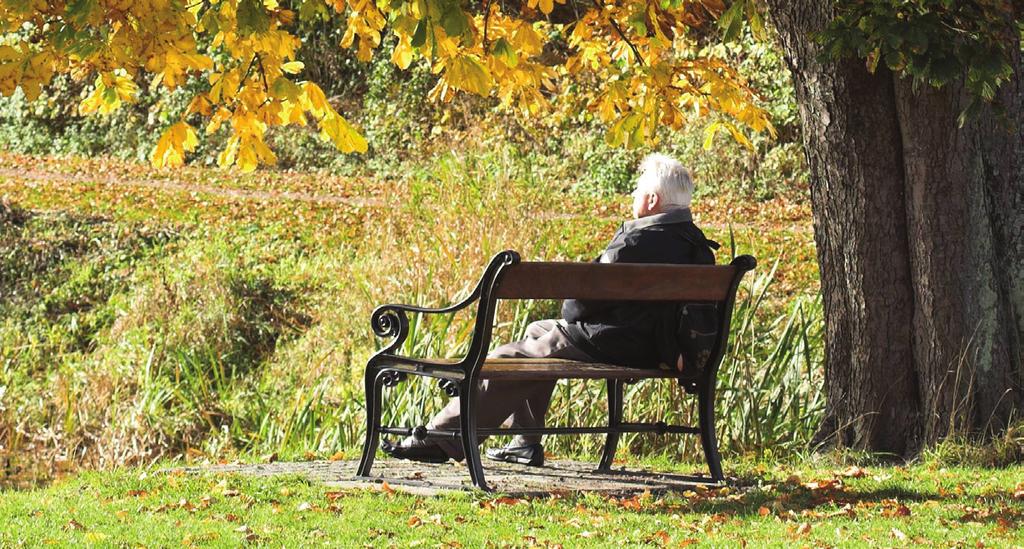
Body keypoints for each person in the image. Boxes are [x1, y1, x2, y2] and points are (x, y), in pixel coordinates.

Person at [381, 153, 719, 466]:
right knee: (537, 331)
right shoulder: (697, 245)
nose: (633, 196)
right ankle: (523, 444)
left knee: (515, 358)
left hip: (620, 344)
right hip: (658, 346)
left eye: (636, 191)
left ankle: (443, 438)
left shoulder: (635, 242)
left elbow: (575, 308)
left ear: (651, 200)